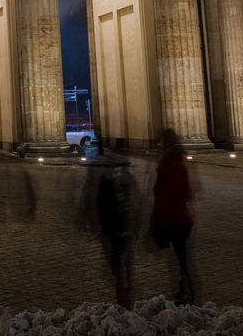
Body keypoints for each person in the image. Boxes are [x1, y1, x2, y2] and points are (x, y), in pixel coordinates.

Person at [79, 158, 139, 307]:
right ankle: (127, 288)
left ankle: (123, 289)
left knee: (117, 258)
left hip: (114, 229)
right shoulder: (122, 182)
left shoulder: (105, 184)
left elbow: (97, 204)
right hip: (119, 228)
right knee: (124, 257)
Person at [150, 128, 197, 305]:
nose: (159, 144)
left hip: (174, 218)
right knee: (180, 257)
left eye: (161, 141)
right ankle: (185, 290)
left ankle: (188, 293)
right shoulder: (177, 162)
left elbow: (168, 193)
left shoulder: (170, 165)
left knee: (181, 258)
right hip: (180, 217)